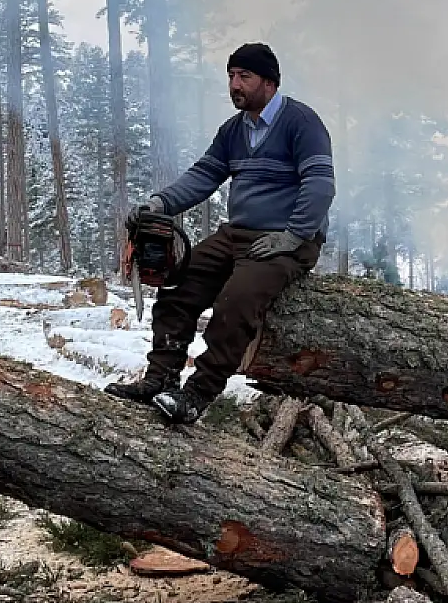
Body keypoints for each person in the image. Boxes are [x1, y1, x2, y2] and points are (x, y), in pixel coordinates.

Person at [105, 43, 336, 423]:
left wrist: (294, 235)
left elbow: (320, 185)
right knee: (177, 286)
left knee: (235, 302)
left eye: (244, 76)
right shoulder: (233, 130)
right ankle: (160, 380)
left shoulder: (301, 122)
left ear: (269, 82)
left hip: (289, 239)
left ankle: (197, 395)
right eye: (231, 75)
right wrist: (159, 204)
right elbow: (204, 176)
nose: (234, 84)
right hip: (237, 234)